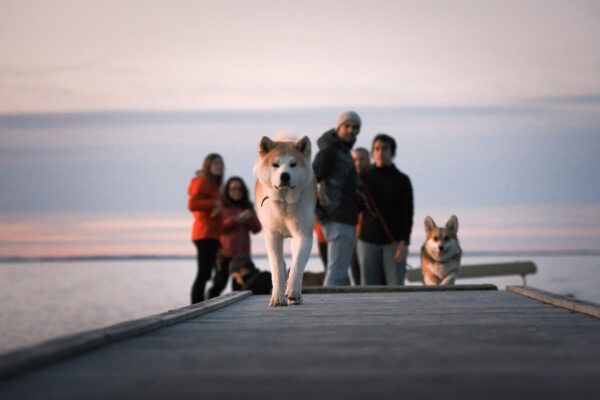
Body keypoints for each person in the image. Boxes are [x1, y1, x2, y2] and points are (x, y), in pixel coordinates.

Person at [313, 111, 362, 286]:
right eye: (347, 125)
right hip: (336, 219)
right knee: (335, 274)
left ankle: (335, 310)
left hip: (347, 219)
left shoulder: (344, 153)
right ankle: (326, 310)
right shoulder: (329, 152)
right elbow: (308, 184)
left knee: (340, 276)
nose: (351, 130)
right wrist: (322, 215)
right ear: (338, 127)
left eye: (355, 127)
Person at [358, 134, 414, 286]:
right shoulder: (363, 178)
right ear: (372, 152)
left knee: (396, 287)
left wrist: (404, 242)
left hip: (394, 242)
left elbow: (407, 214)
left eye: (385, 148)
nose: (380, 152)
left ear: (392, 152)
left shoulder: (402, 180)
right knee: (368, 289)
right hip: (367, 240)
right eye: (376, 149)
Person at [210, 177, 262, 298]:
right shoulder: (222, 207)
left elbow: (257, 229)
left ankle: (241, 314)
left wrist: (250, 218)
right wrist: (237, 219)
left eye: (239, 189)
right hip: (225, 254)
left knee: (240, 289)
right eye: (233, 189)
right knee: (218, 285)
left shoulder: (247, 207)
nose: (236, 192)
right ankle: (204, 306)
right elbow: (219, 228)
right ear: (227, 190)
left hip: (242, 256)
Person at [187, 153, 224, 303]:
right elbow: (192, 204)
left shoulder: (213, 184)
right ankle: (196, 304)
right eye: (215, 163)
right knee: (204, 273)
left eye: (221, 164)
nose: (219, 166)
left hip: (213, 234)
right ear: (207, 165)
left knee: (211, 272)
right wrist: (214, 204)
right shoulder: (202, 181)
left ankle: (206, 301)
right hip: (204, 233)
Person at [350, 147, 371, 285]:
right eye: (355, 159)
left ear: (368, 160)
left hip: (369, 235)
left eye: (362, 159)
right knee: (355, 272)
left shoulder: (373, 180)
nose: (358, 162)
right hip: (352, 233)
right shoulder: (348, 180)